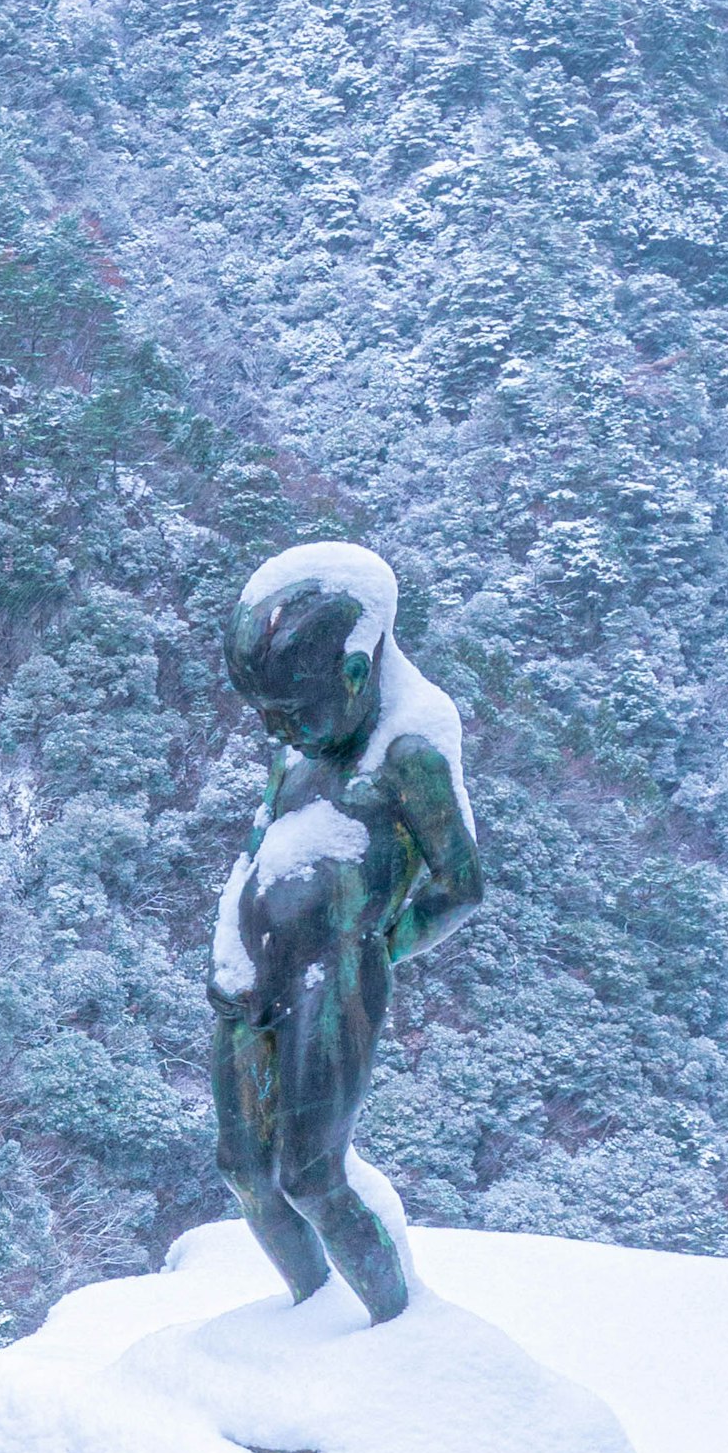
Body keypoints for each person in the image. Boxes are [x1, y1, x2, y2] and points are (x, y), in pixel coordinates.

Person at [208, 538, 483, 1322]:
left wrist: (377, 942)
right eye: (265, 713)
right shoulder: (295, 749)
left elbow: (461, 884)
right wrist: (233, 941)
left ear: (357, 671)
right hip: (250, 969)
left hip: (334, 979)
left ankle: (396, 1324)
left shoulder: (409, 747)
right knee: (244, 1171)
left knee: (313, 1174)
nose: (277, 730)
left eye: (291, 712)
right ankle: (308, 1307)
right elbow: (261, 837)